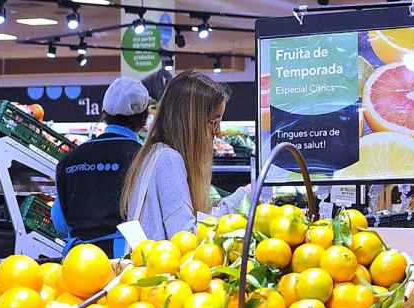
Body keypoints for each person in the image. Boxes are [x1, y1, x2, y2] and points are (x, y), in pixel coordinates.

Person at [120, 71, 263, 240]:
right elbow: (185, 236)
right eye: (213, 121)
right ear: (190, 121)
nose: (217, 131)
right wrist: (241, 198)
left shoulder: (153, 154)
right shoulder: (168, 160)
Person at [51, 77, 151, 256]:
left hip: (78, 260)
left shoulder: (69, 160)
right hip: (124, 260)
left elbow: (59, 223)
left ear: (104, 112)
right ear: (144, 118)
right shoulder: (144, 159)